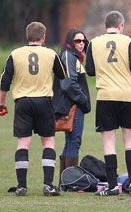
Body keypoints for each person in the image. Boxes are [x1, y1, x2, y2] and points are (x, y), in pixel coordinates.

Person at [0, 21, 67, 196]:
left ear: (27, 36)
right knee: (48, 142)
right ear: (44, 37)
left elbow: (5, 81)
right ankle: (48, 185)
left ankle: (22, 187)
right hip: (44, 101)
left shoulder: (15, 54)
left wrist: (1, 102)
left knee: (23, 143)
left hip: (23, 102)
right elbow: (63, 74)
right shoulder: (51, 53)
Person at [86, 11, 131, 196]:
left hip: (106, 96)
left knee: (109, 142)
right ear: (121, 26)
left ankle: (112, 186)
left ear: (106, 26)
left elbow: (90, 70)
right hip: (128, 95)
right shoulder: (127, 41)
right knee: (130, 139)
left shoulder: (94, 43)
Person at [52, 28, 92, 182]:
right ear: (70, 42)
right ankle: (70, 182)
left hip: (73, 105)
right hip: (72, 106)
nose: (81, 44)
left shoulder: (74, 56)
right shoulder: (68, 56)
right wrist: (83, 100)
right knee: (74, 141)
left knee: (71, 141)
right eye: (77, 41)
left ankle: (64, 181)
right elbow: (68, 83)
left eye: (83, 41)